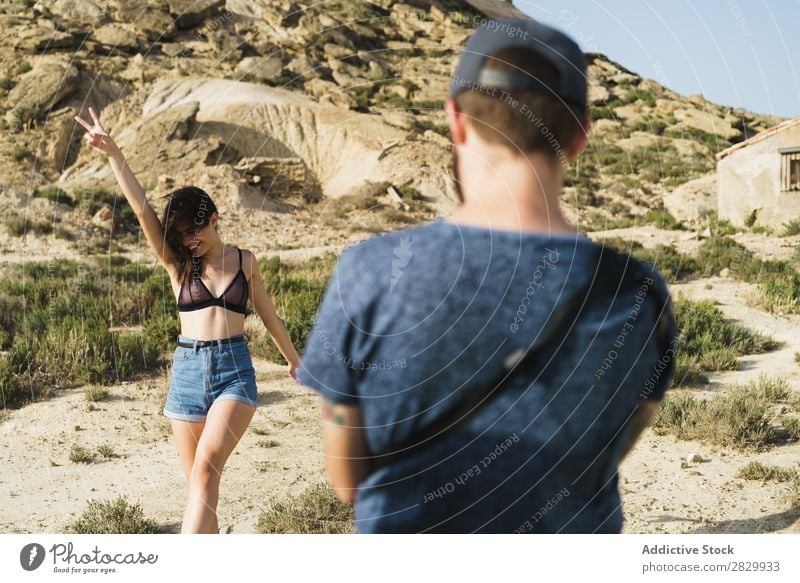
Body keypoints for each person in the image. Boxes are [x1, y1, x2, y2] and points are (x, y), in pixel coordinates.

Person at [296, 18, 679, 533]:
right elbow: (610, 447)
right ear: (581, 136)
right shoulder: (639, 294)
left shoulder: (370, 272)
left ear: (455, 119)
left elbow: (348, 479)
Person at [75, 107, 301, 534]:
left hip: (234, 372)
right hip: (186, 375)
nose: (187, 242)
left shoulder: (244, 262)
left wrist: (293, 360)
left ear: (214, 220)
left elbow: (269, 317)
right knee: (200, 487)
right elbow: (143, 210)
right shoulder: (178, 267)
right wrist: (114, 155)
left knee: (204, 473)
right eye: (179, 237)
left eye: (192, 233)